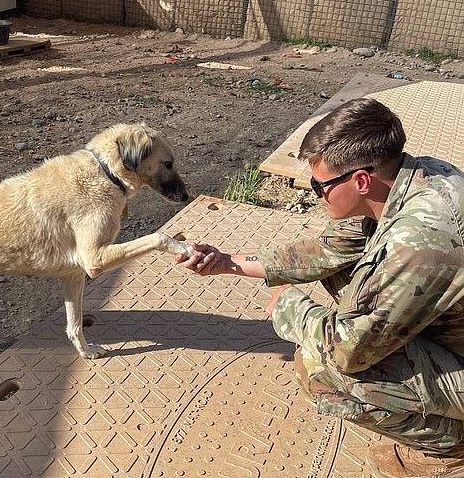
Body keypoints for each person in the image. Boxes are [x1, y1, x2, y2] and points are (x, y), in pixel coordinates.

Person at [177, 98, 464, 478]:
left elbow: (349, 352)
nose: (316, 192)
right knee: (344, 277)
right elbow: (329, 250)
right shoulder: (416, 175)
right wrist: (228, 262)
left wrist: (290, 309)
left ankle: (448, 449)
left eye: (320, 185)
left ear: (361, 180)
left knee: (321, 369)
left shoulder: (418, 241)